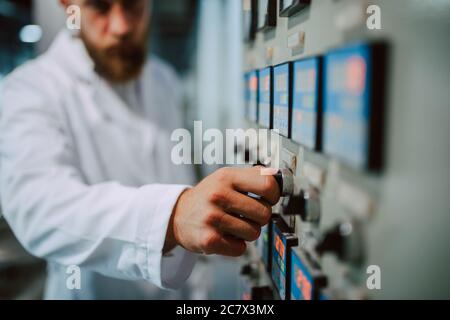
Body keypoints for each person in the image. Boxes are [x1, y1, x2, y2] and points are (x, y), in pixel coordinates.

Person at [0, 0, 280, 299]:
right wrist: (172, 216)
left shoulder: (162, 79)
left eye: (133, 6)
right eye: (100, 7)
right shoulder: (29, 89)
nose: (121, 27)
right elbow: (40, 208)